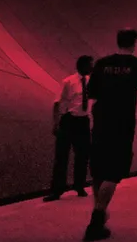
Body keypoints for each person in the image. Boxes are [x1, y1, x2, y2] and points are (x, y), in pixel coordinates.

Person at [83, 29, 137, 241]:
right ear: (134, 43)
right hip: (122, 123)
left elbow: (92, 93)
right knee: (114, 171)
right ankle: (96, 217)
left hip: (101, 120)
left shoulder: (102, 64)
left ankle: (100, 212)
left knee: (99, 169)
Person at [44, 55, 93, 202]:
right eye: (90, 65)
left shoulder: (91, 82)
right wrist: (55, 123)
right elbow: (57, 103)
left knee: (83, 155)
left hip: (83, 121)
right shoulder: (68, 82)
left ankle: (79, 186)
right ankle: (57, 190)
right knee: (62, 156)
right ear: (82, 66)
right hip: (69, 120)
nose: (92, 68)